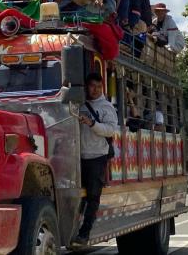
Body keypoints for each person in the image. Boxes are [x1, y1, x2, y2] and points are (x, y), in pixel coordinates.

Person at [76, 72, 117, 245]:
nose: (95, 90)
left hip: (97, 156)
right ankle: (73, 228)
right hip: (77, 156)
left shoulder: (106, 107)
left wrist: (92, 124)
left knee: (93, 197)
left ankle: (84, 233)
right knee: (76, 195)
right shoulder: (77, 104)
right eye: (92, 86)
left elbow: (110, 130)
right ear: (86, 87)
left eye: (98, 87)